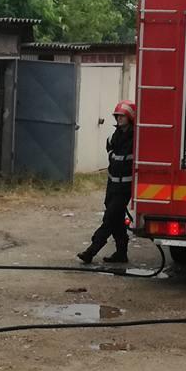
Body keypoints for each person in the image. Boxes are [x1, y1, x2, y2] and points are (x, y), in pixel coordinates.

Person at [79, 101, 136, 265]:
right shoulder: (115, 136)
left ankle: (91, 251)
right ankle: (121, 253)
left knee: (109, 218)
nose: (119, 118)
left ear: (130, 117)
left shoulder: (135, 138)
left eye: (122, 116)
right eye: (117, 116)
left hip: (124, 187)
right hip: (112, 185)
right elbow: (110, 148)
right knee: (117, 219)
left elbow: (125, 160)